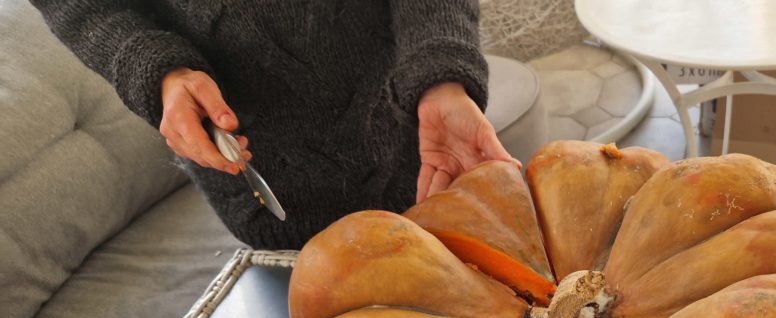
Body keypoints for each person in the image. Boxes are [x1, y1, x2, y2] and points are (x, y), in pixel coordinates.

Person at [30, 0, 517, 250]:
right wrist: (156, 70)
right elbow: (81, 8)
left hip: (426, 150)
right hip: (273, 196)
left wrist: (441, 79)